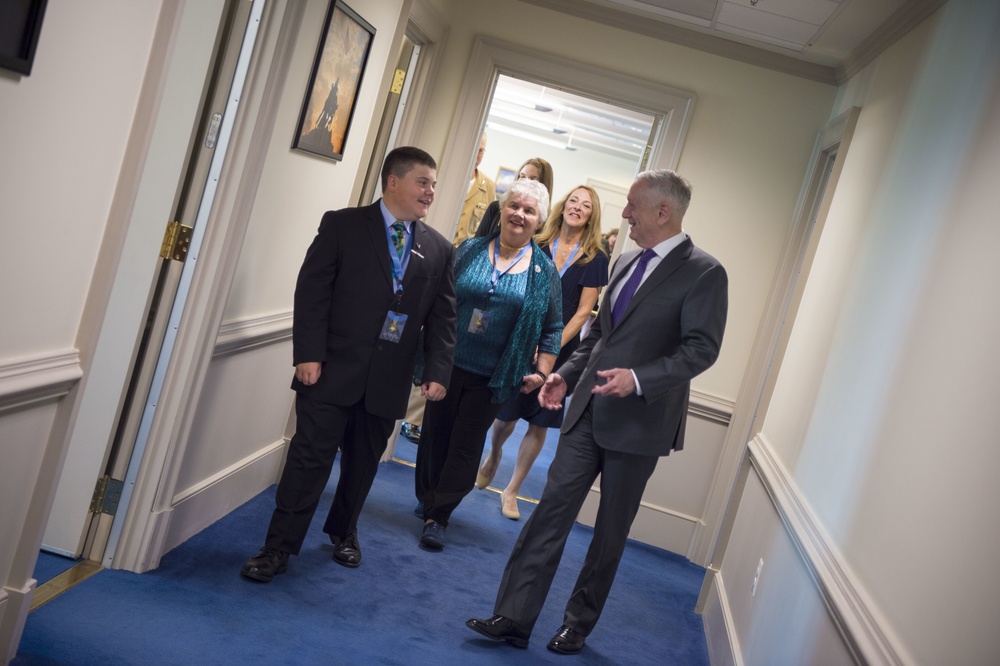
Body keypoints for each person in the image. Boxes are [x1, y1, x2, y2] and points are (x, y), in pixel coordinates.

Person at [466, 169, 728, 654]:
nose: (624, 213)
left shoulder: (704, 272)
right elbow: (603, 336)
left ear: (663, 212)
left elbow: (701, 350)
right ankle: (514, 617)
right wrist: (566, 374)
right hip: (587, 410)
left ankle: (577, 625)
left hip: (641, 423)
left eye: (632, 205)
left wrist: (640, 378)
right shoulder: (626, 261)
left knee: (609, 533)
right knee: (549, 514)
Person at [240, 147, 457, 583]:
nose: (431, 192)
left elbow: (443, 316)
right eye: (423, 182)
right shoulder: (342, 225)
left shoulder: (438, 249)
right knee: (308, 460)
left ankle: (344, 533)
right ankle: (277, 547)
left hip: (388, 380)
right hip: (329, 369)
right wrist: (307, 353)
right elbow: (313, 290)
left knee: (362, 465)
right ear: (393, 181)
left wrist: (437, 371)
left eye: (433, 184)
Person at [414, 178, 563, 551]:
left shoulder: (544, 273)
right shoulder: (469, 249)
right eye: (514, 206)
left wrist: (542, 372)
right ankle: (429, 495)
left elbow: (553, 328)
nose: (519, 214)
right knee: (436, 434)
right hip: (449, 362)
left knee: (466, 443)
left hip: (496, 374)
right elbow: (438, 300)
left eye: (529, 211)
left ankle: (440, 514)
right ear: (502, 209)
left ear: (539, 221)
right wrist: (429, 355)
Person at [476, 185, 609, 520]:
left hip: (562, 350)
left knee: (540, 422)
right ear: (563, 206)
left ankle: (512, 490)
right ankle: (493, 456)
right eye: (573, 201)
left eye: (586, 206)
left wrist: (551, 343)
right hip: (524, 337)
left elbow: (583, 312)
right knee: (506, 414)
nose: (577, 208)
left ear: (592, 216)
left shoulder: (595, 258)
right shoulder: (539, 241)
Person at [399, 133, 497, 444]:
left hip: (461, 272)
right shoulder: (434, 185)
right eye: (476, 149)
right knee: (421, 336)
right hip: (431, 261)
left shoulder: (488, 189)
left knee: (443, 338)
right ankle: (412, 417)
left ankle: (420, 416)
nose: (478, 155)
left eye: (482, 151)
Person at [474, 157, 554, 239]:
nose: (525, 182)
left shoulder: (549, 226)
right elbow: (475, 244)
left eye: (532, 179)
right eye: (522, 177)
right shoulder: (495, 208)